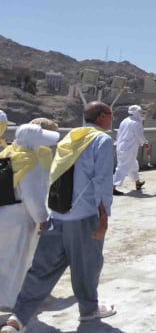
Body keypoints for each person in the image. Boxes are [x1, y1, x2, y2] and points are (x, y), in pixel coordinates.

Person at [2, 102, 116, 333]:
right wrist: (104, 219)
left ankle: (17, 320)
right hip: (84, 217)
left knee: (41, 270)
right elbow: (103, 182)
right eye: (110, 116)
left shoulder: (70, 138)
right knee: (87, 266)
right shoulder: (101, 141)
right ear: (103, 117)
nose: (112, 120)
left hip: (58, 216)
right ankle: (88, 311)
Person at [0, 124, 59, 309]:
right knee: (17, 261)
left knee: (3, 258)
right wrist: (42, 219)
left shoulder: (8, 154)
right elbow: (31, 195)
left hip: (4, 212)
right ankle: (12, 303)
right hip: (20, 218)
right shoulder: (30, 162)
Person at [112, 105, 149, 195]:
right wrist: (145, 143)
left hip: (122, 147)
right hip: (129, 148)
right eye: (140, 112)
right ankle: (112, 186)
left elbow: (119, 134)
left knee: (133, 166)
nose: (141, 114)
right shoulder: (136, 123)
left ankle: (137, 183)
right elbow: (139, 135)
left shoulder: (125, 121)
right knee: (122, 167)